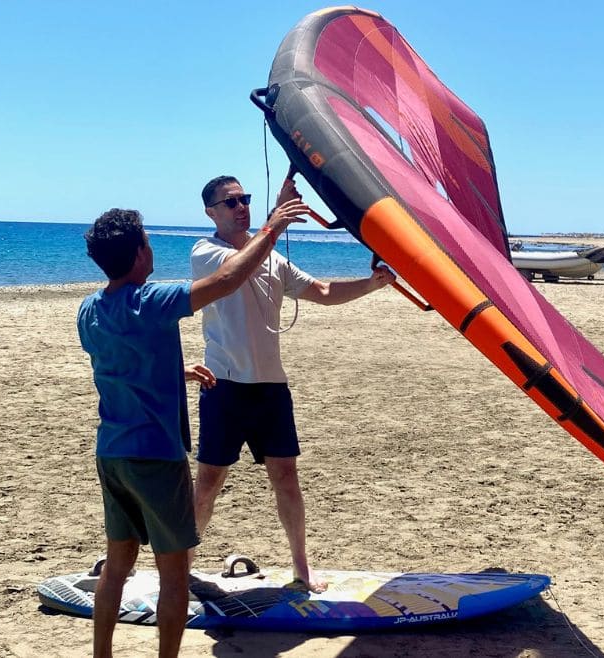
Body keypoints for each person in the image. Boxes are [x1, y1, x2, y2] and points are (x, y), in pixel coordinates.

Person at [78, 203, 307, 658]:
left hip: (112, 455)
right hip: (156, 457)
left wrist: (174, 370)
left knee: (117, 566)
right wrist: (273, 227)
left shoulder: (89, 310)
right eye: (147, 242)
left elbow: (119, 364)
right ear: (140, 254)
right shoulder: (153, 300)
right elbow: (226, 281)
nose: (151, 248)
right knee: (174, 575)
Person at [190, 175, 395, 593]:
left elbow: (320, 290)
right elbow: (232, 274)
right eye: (230, 203)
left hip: (270, 388)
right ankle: (183, 563)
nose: (240, 206)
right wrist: (275, 224)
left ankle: (302, 566)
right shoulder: (205, 252)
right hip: (224, 386)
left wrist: (371, 285)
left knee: (286, 476)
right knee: (210, 480)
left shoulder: (271, 255)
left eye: (244, 199)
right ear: (211, 212)